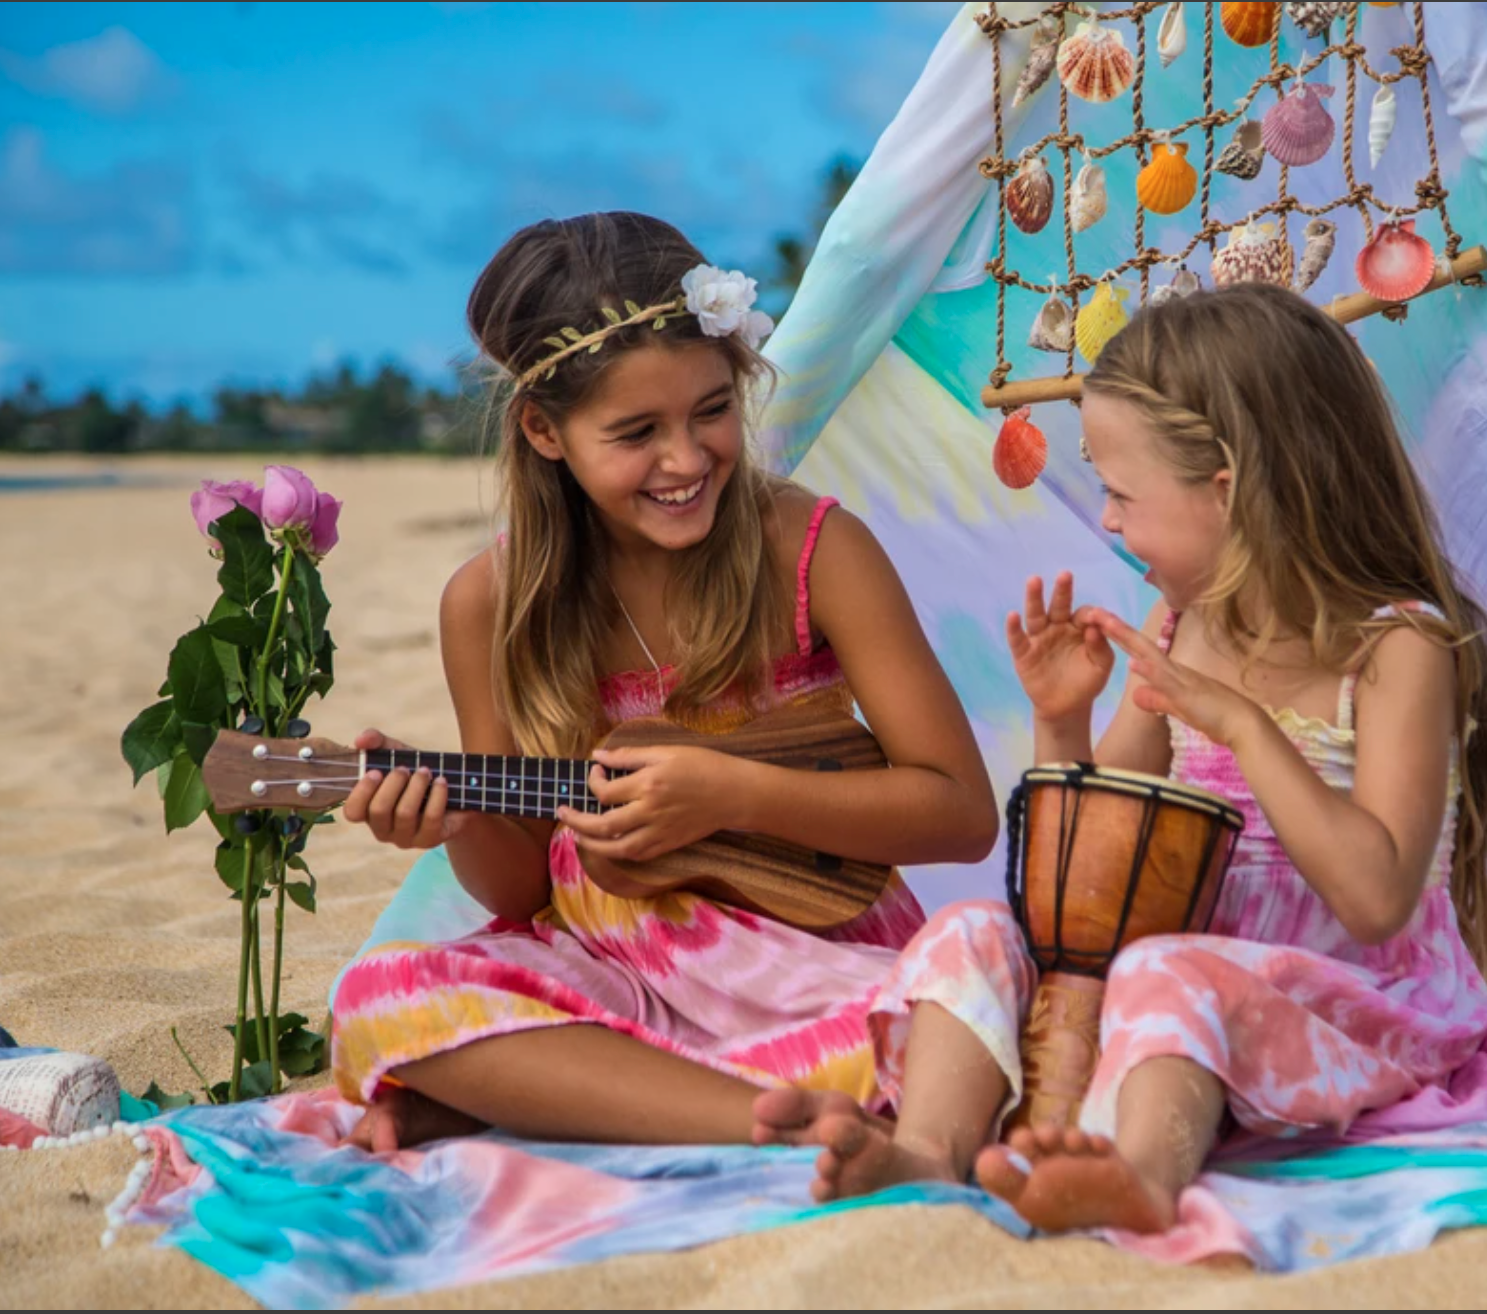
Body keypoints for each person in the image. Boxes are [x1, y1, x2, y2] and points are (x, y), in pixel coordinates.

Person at [762, 282, 1487, 1231]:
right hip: (1181, 1003)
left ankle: (1141, 1178)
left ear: (1226, 490)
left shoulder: (1400, 649)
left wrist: (1239, 727)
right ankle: (931, 1152)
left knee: (1170, 974)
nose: (1105, 522)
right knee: (972, 930)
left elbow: (1377, 897)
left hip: (1360, 1008)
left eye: (1118, 492)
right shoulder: (1186, 626)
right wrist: (1060, 722)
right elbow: (1094, 873)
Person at [330, 211, 999, 1152]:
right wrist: (462, 817)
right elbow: (523, 894)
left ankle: (583, 1101)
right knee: (379, 994)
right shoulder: (489, 605)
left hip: (817, 968)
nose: (686, 460)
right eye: (637, 432)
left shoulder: (812, 552)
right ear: (544, 431)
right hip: (614, 977)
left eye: (712, 412)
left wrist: (735, 791)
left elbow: (963, 813)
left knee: (982, 967)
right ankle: (774, 1123)